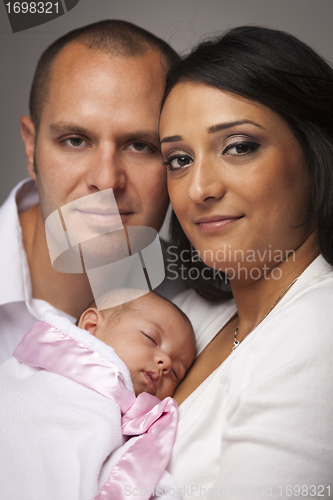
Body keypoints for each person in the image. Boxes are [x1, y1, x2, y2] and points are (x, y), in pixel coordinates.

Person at [159, 26, 333, 497]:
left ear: (316, 153)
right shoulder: (189, 317)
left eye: (238, 146)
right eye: (177, 159)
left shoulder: (320, 327)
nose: (199, 189)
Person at [0, 20, 183, 364]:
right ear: (30, 148)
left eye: (140, 146)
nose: (106, 180)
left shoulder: (204, 304)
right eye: (75, 140)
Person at [0, 291, 195, 499]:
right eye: (151, 338)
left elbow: (129, 471)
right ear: (91, 327)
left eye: (176, 372)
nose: (165, 362)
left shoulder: (131, 425)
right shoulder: (34, 369)